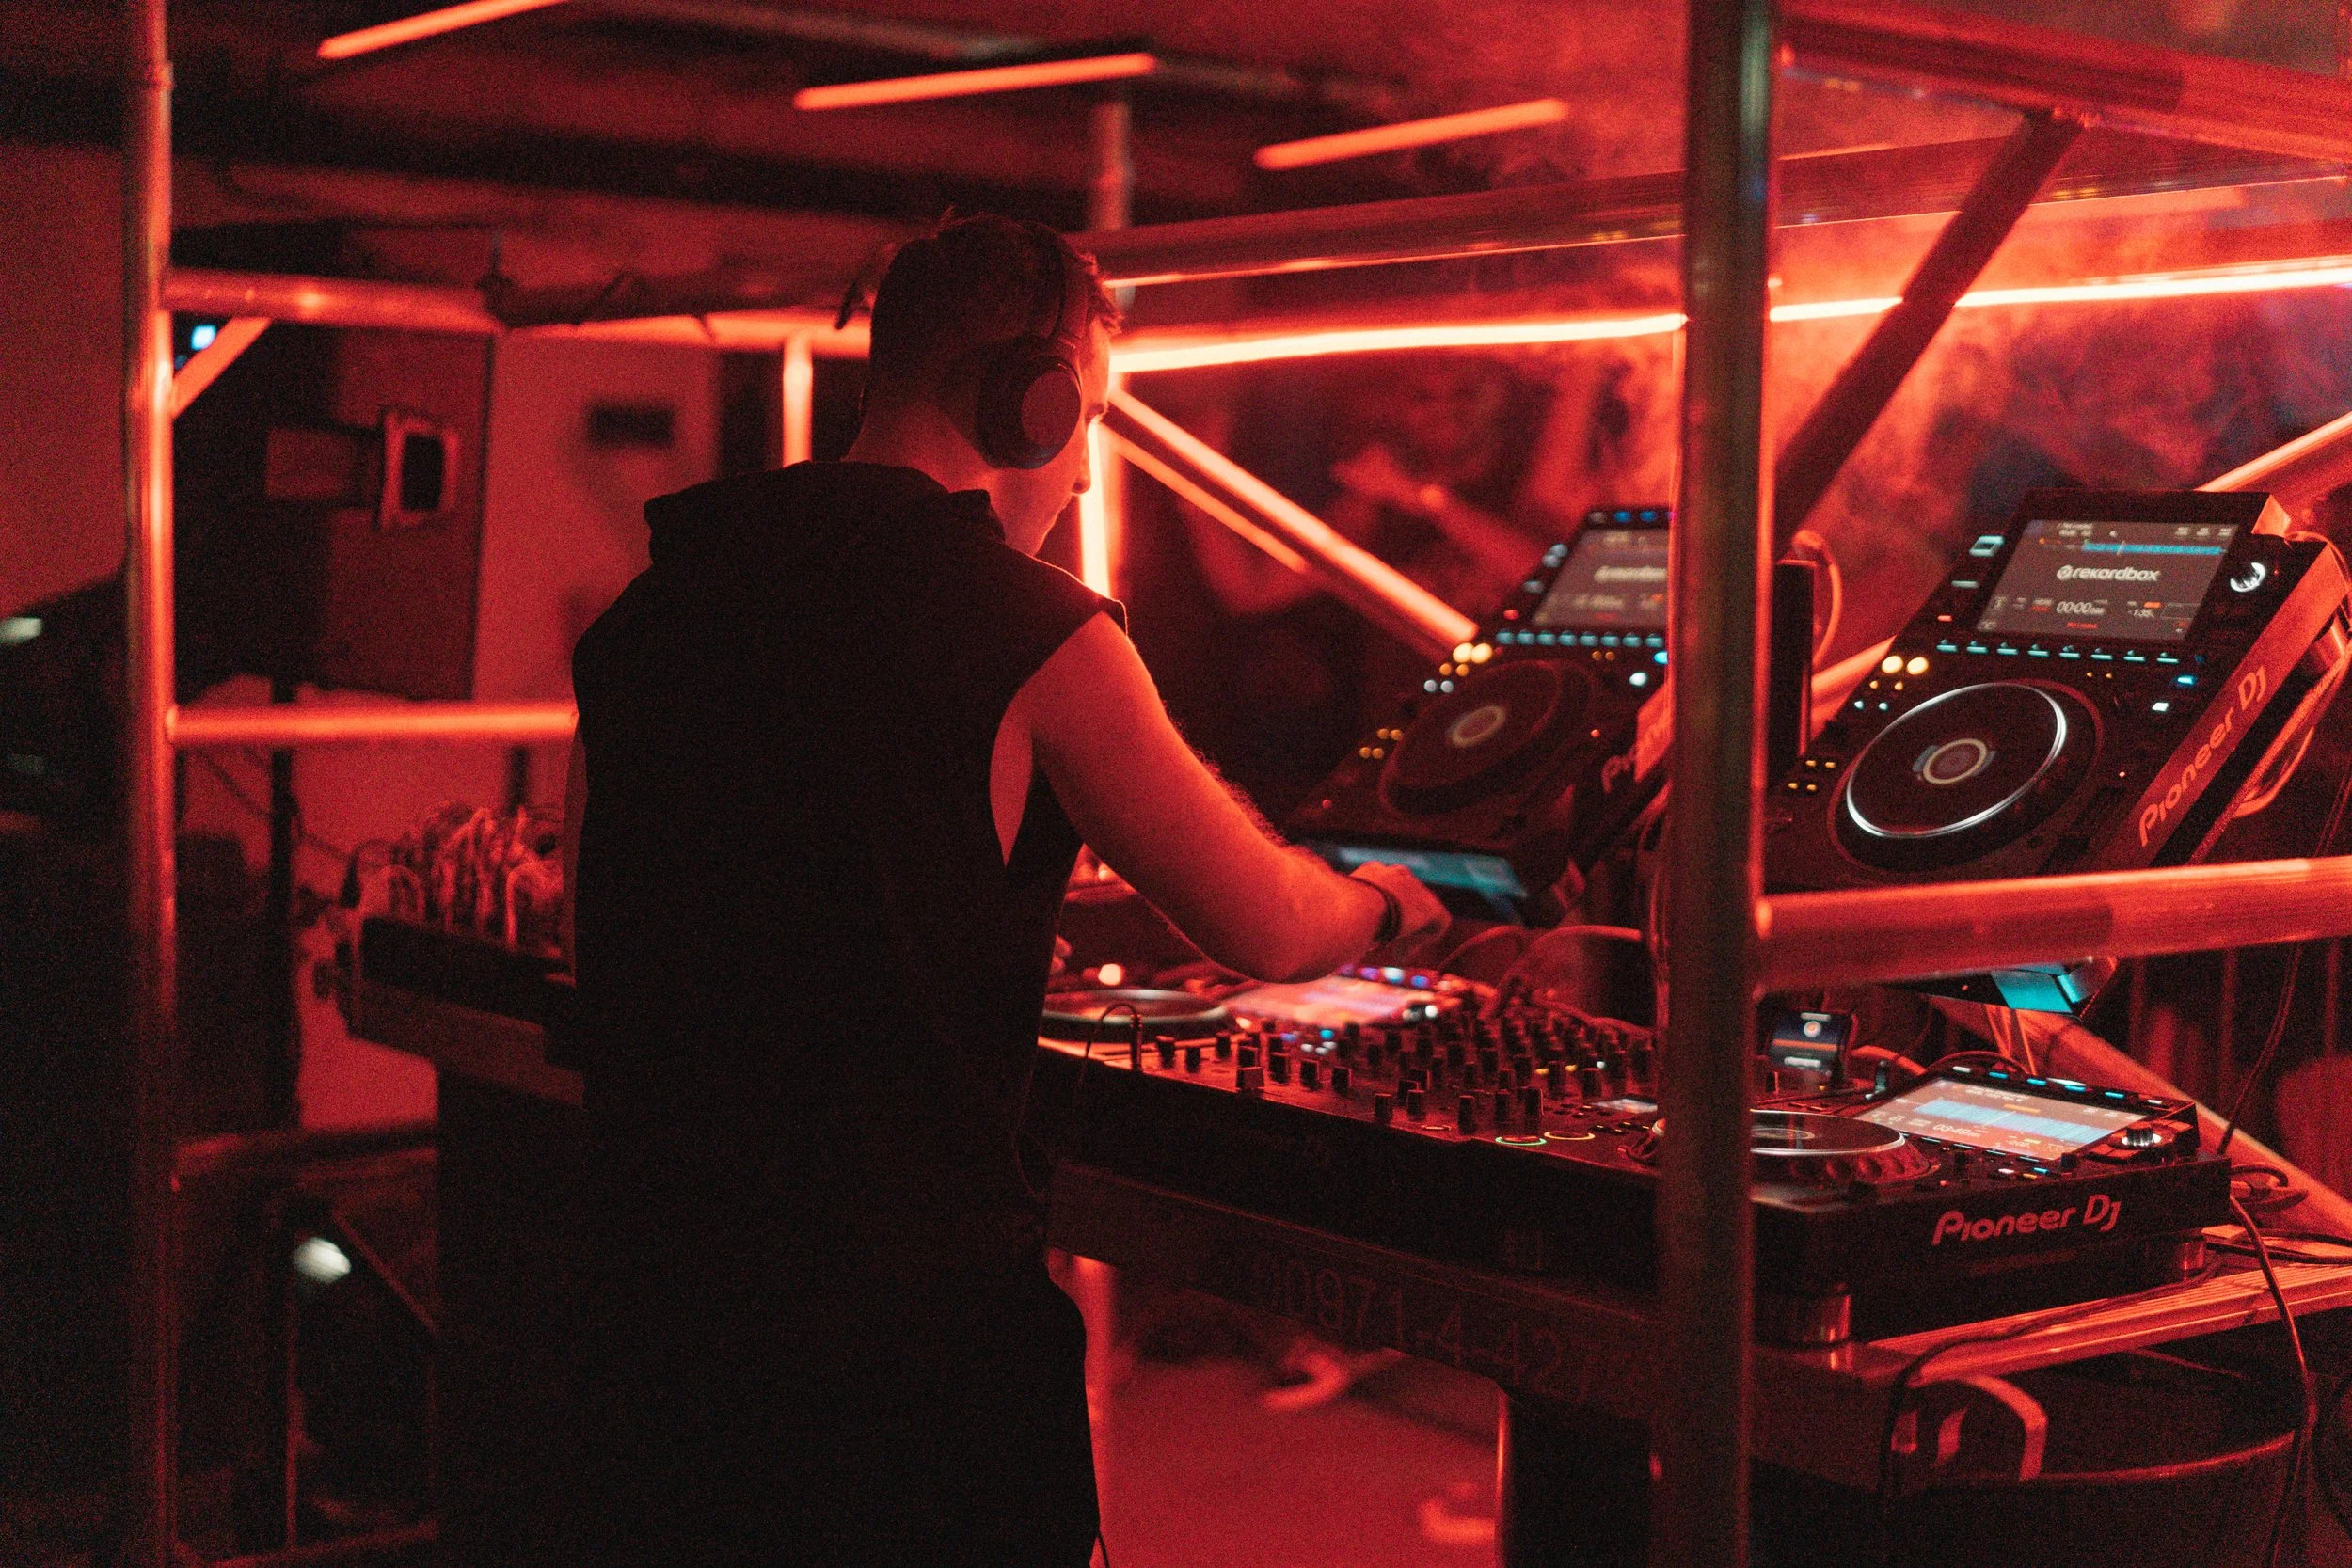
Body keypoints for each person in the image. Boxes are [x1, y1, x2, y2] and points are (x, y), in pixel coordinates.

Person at [559, 214, 1448, 1568]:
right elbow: (1271, 925)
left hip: (660, 1330)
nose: (1086, 467)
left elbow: (600, 938)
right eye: (1088, 418)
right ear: (1031, 403)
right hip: (905, 1362)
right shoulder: (1035, 631)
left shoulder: (648, 613)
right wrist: (1385, 898)